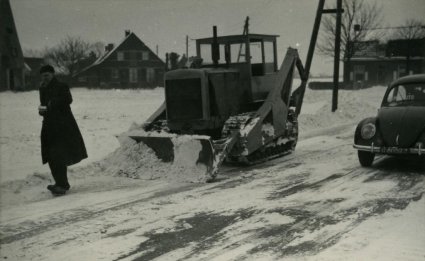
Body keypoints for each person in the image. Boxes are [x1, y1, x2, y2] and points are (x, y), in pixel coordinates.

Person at [38, 65, 87, 195]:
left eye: (47, 75)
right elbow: (43, 104)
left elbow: (68, 99)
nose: (45, 77)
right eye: (43, 75)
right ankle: (59, 183)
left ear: (53, 74)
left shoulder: (62, 86)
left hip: (62, 126)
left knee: (58, 155)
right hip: (48, 126)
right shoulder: (42, 88)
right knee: (50, 156)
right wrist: (42, 110)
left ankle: (62, 185)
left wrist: (52, 103)